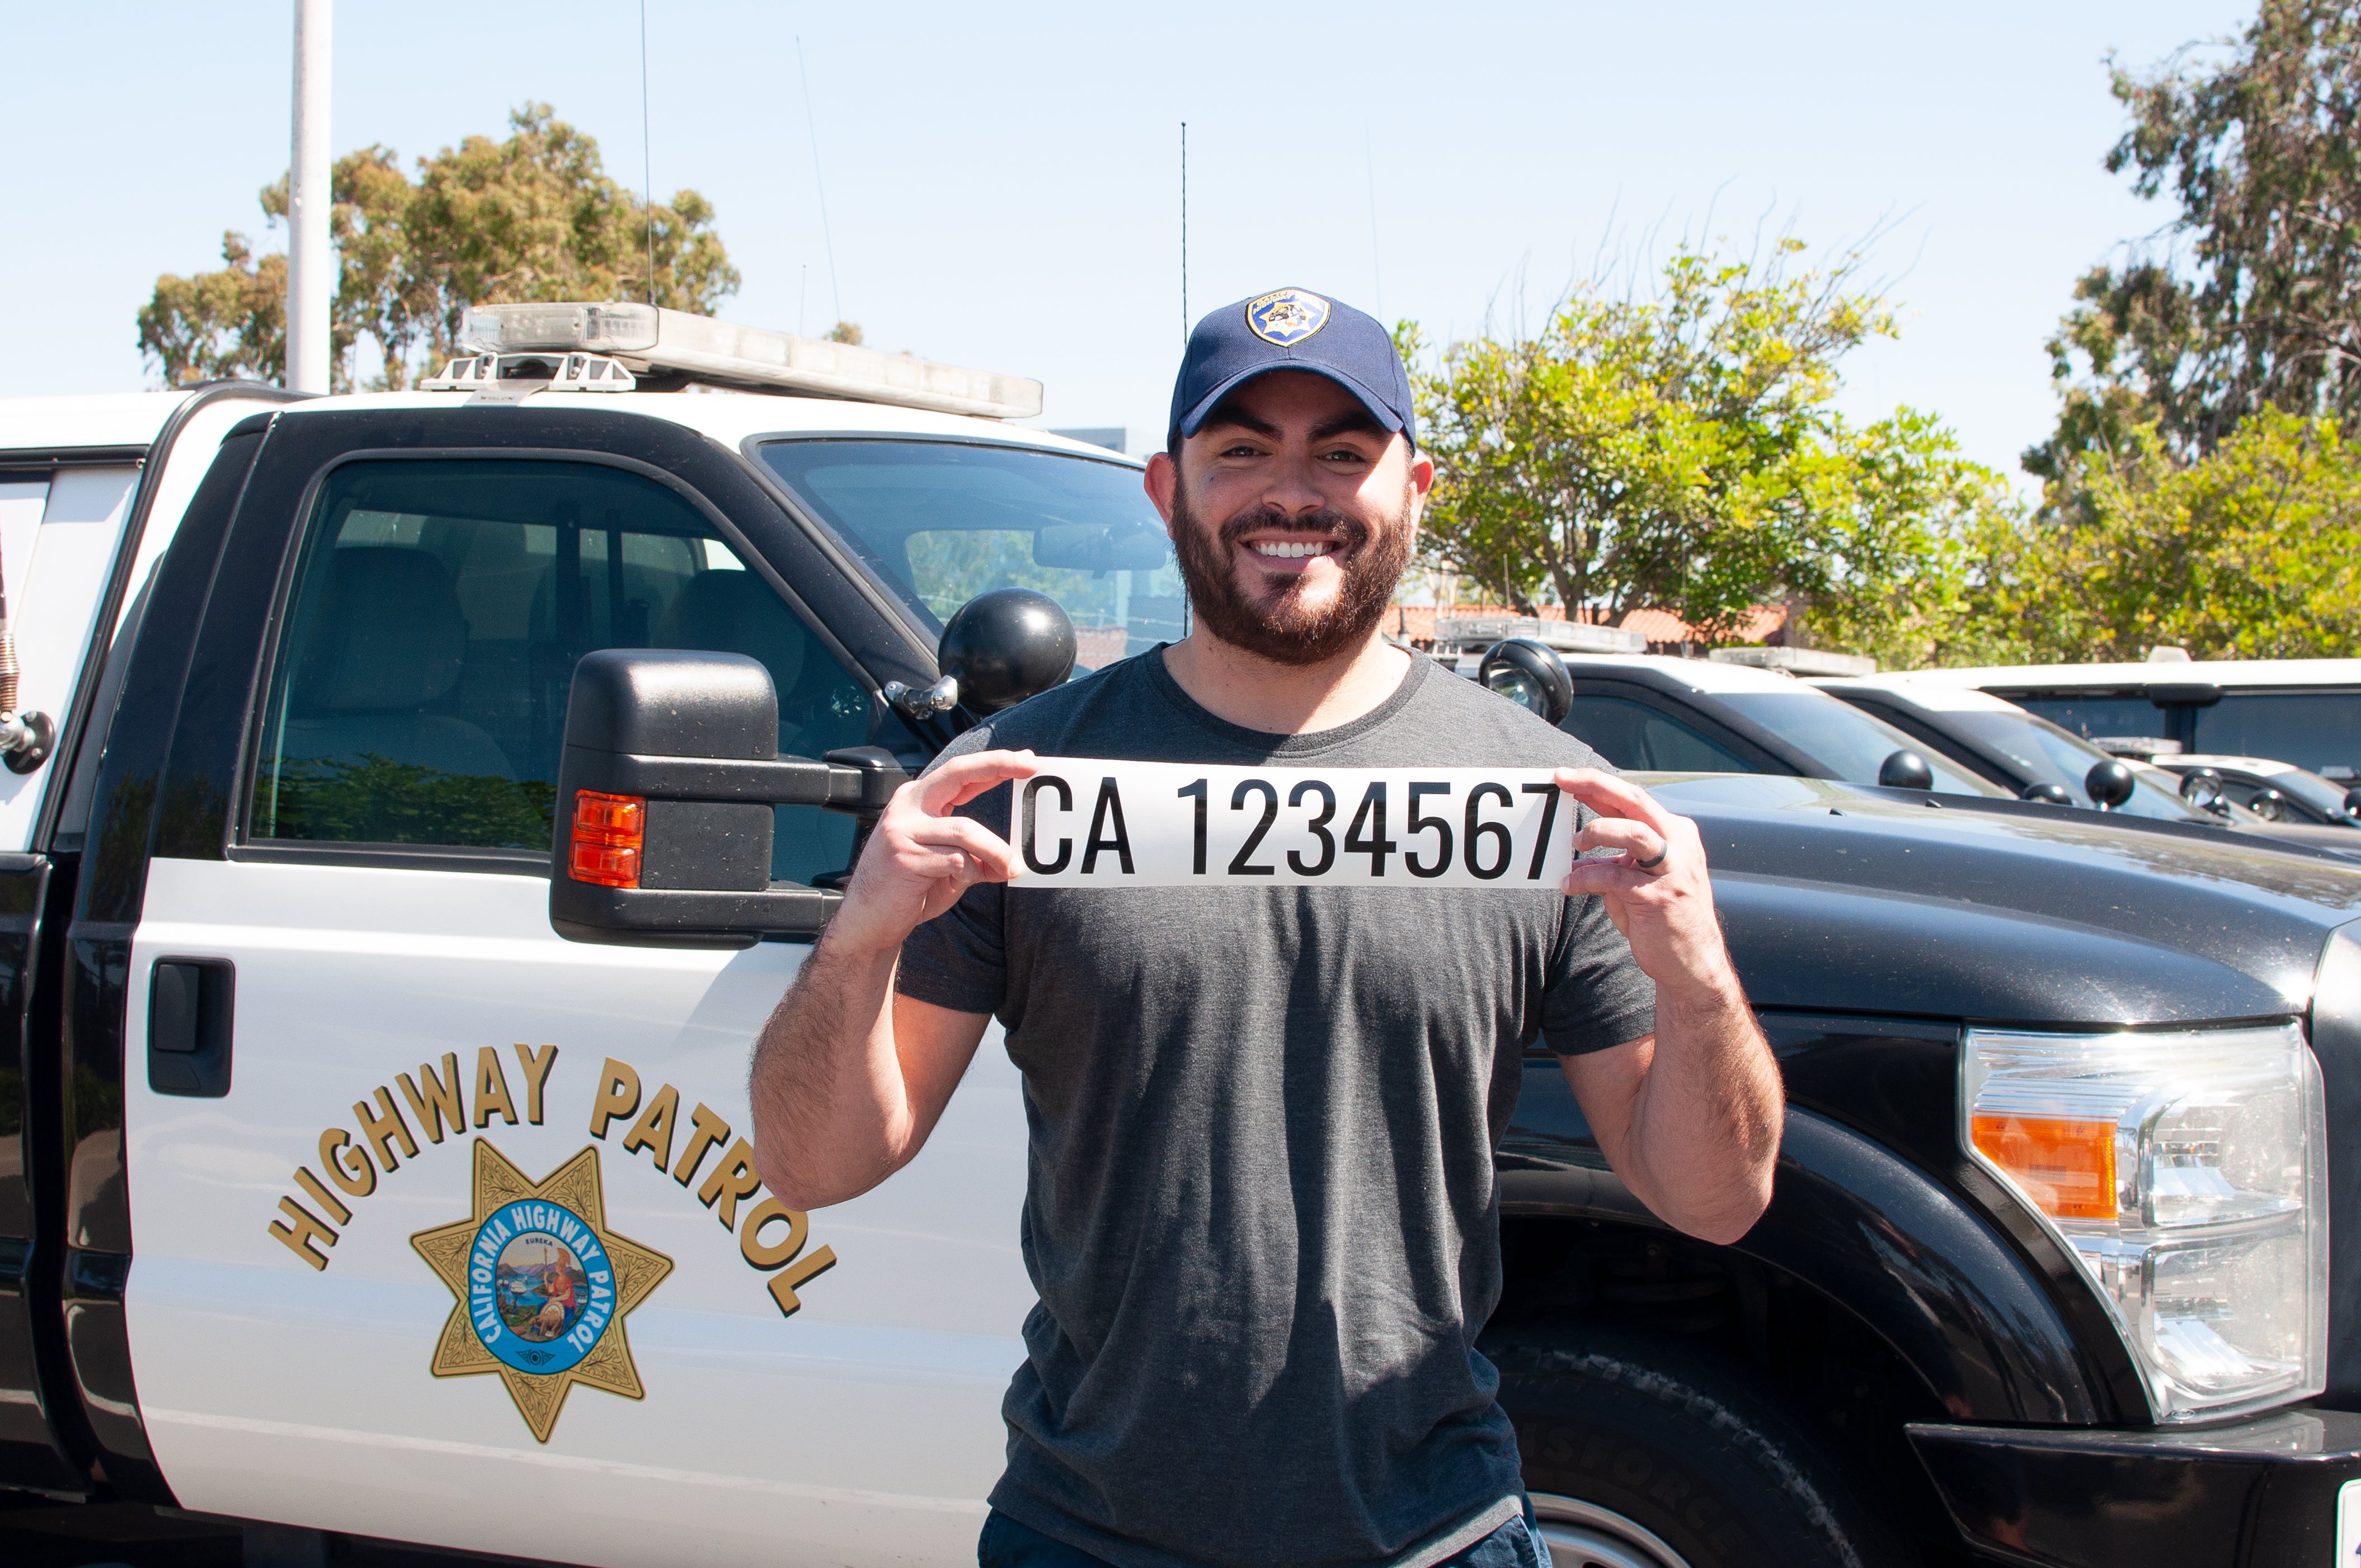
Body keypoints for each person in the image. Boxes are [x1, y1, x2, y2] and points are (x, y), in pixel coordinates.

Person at [750, 286, 1784, 1568]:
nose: (1290, 492)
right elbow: (815, 1165)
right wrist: (855, 940)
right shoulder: (1018, 782)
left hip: (1434, 1534)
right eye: (1240, 449)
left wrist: (1697, 979)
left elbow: (1718, 1200)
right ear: (1163, 487)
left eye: (1340, 452)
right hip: (1087, 1534)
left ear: (1415, 488)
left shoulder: (1542, 795)